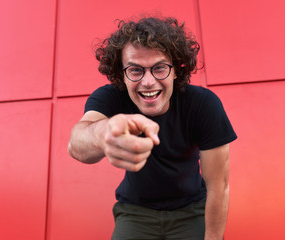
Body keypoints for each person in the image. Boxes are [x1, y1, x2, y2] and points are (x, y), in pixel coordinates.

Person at [68, 16, 237, 240]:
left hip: (192, 210)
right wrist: (102, 133)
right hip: (135, 212)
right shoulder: (110, 98)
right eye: (135, 70)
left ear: (177, 70)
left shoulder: (203, 105)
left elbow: (218, 186)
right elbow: (76, 145)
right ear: (122, 74)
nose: (148, 82)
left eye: (159, 68)